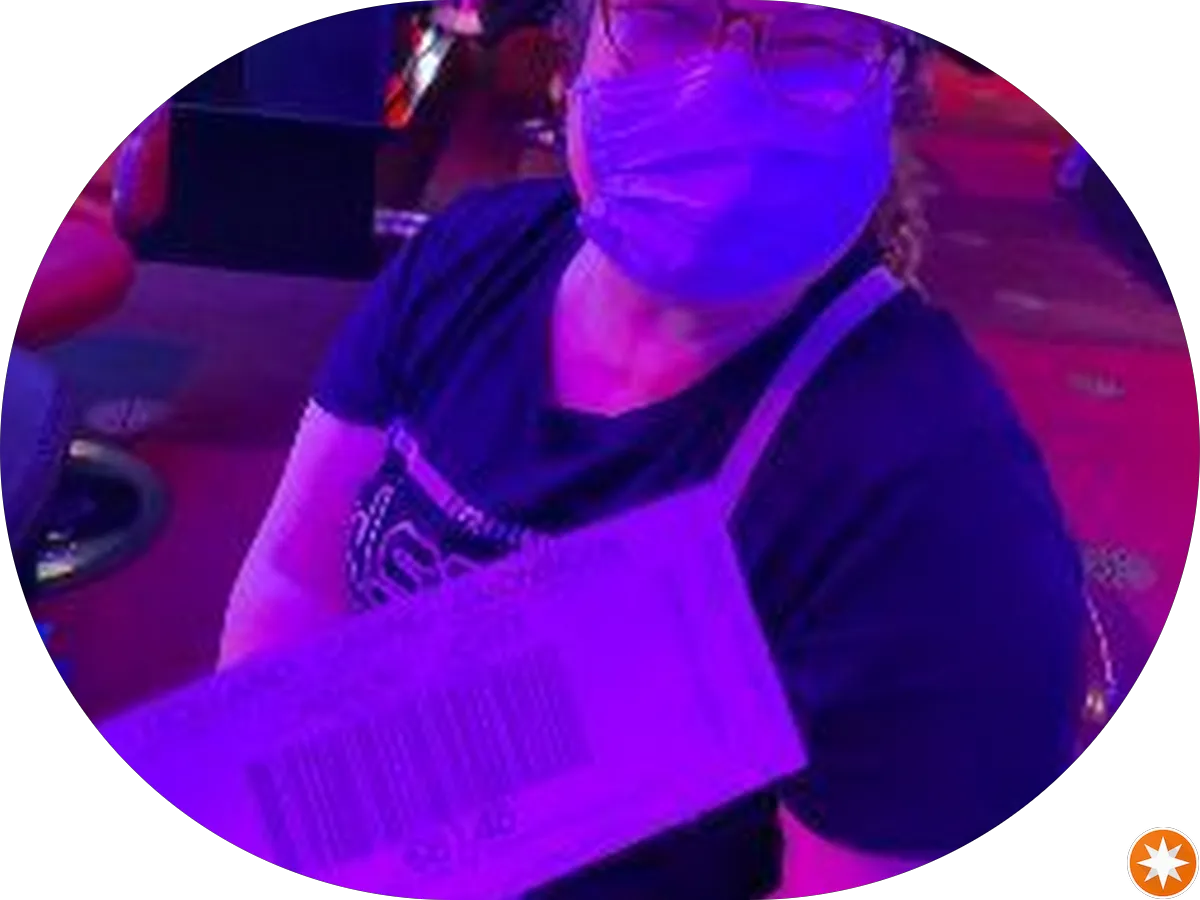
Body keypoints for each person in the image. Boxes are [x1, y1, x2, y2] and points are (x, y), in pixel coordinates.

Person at [218, 3, 1086, 898]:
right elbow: (294, 581)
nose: (722, 91)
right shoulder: (467, 257)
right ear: (570, 58)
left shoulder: (942, 508)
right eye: (668, 17)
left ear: (890, 93)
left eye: (811, 38)